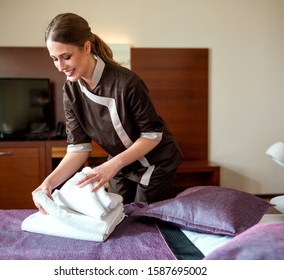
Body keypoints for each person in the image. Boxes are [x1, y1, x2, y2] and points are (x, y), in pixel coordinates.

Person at [32, 13, 182, 213]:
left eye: (66, 57)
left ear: (86, 47)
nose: (60, 66)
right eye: (54, 59)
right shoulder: (71, 90)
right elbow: (78, 148)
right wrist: (48, 183)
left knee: (139, 219)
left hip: (156, 163)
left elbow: (152, 135)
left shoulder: (127, 82)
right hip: (120, 164)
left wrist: (113, 165)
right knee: (112, 216)